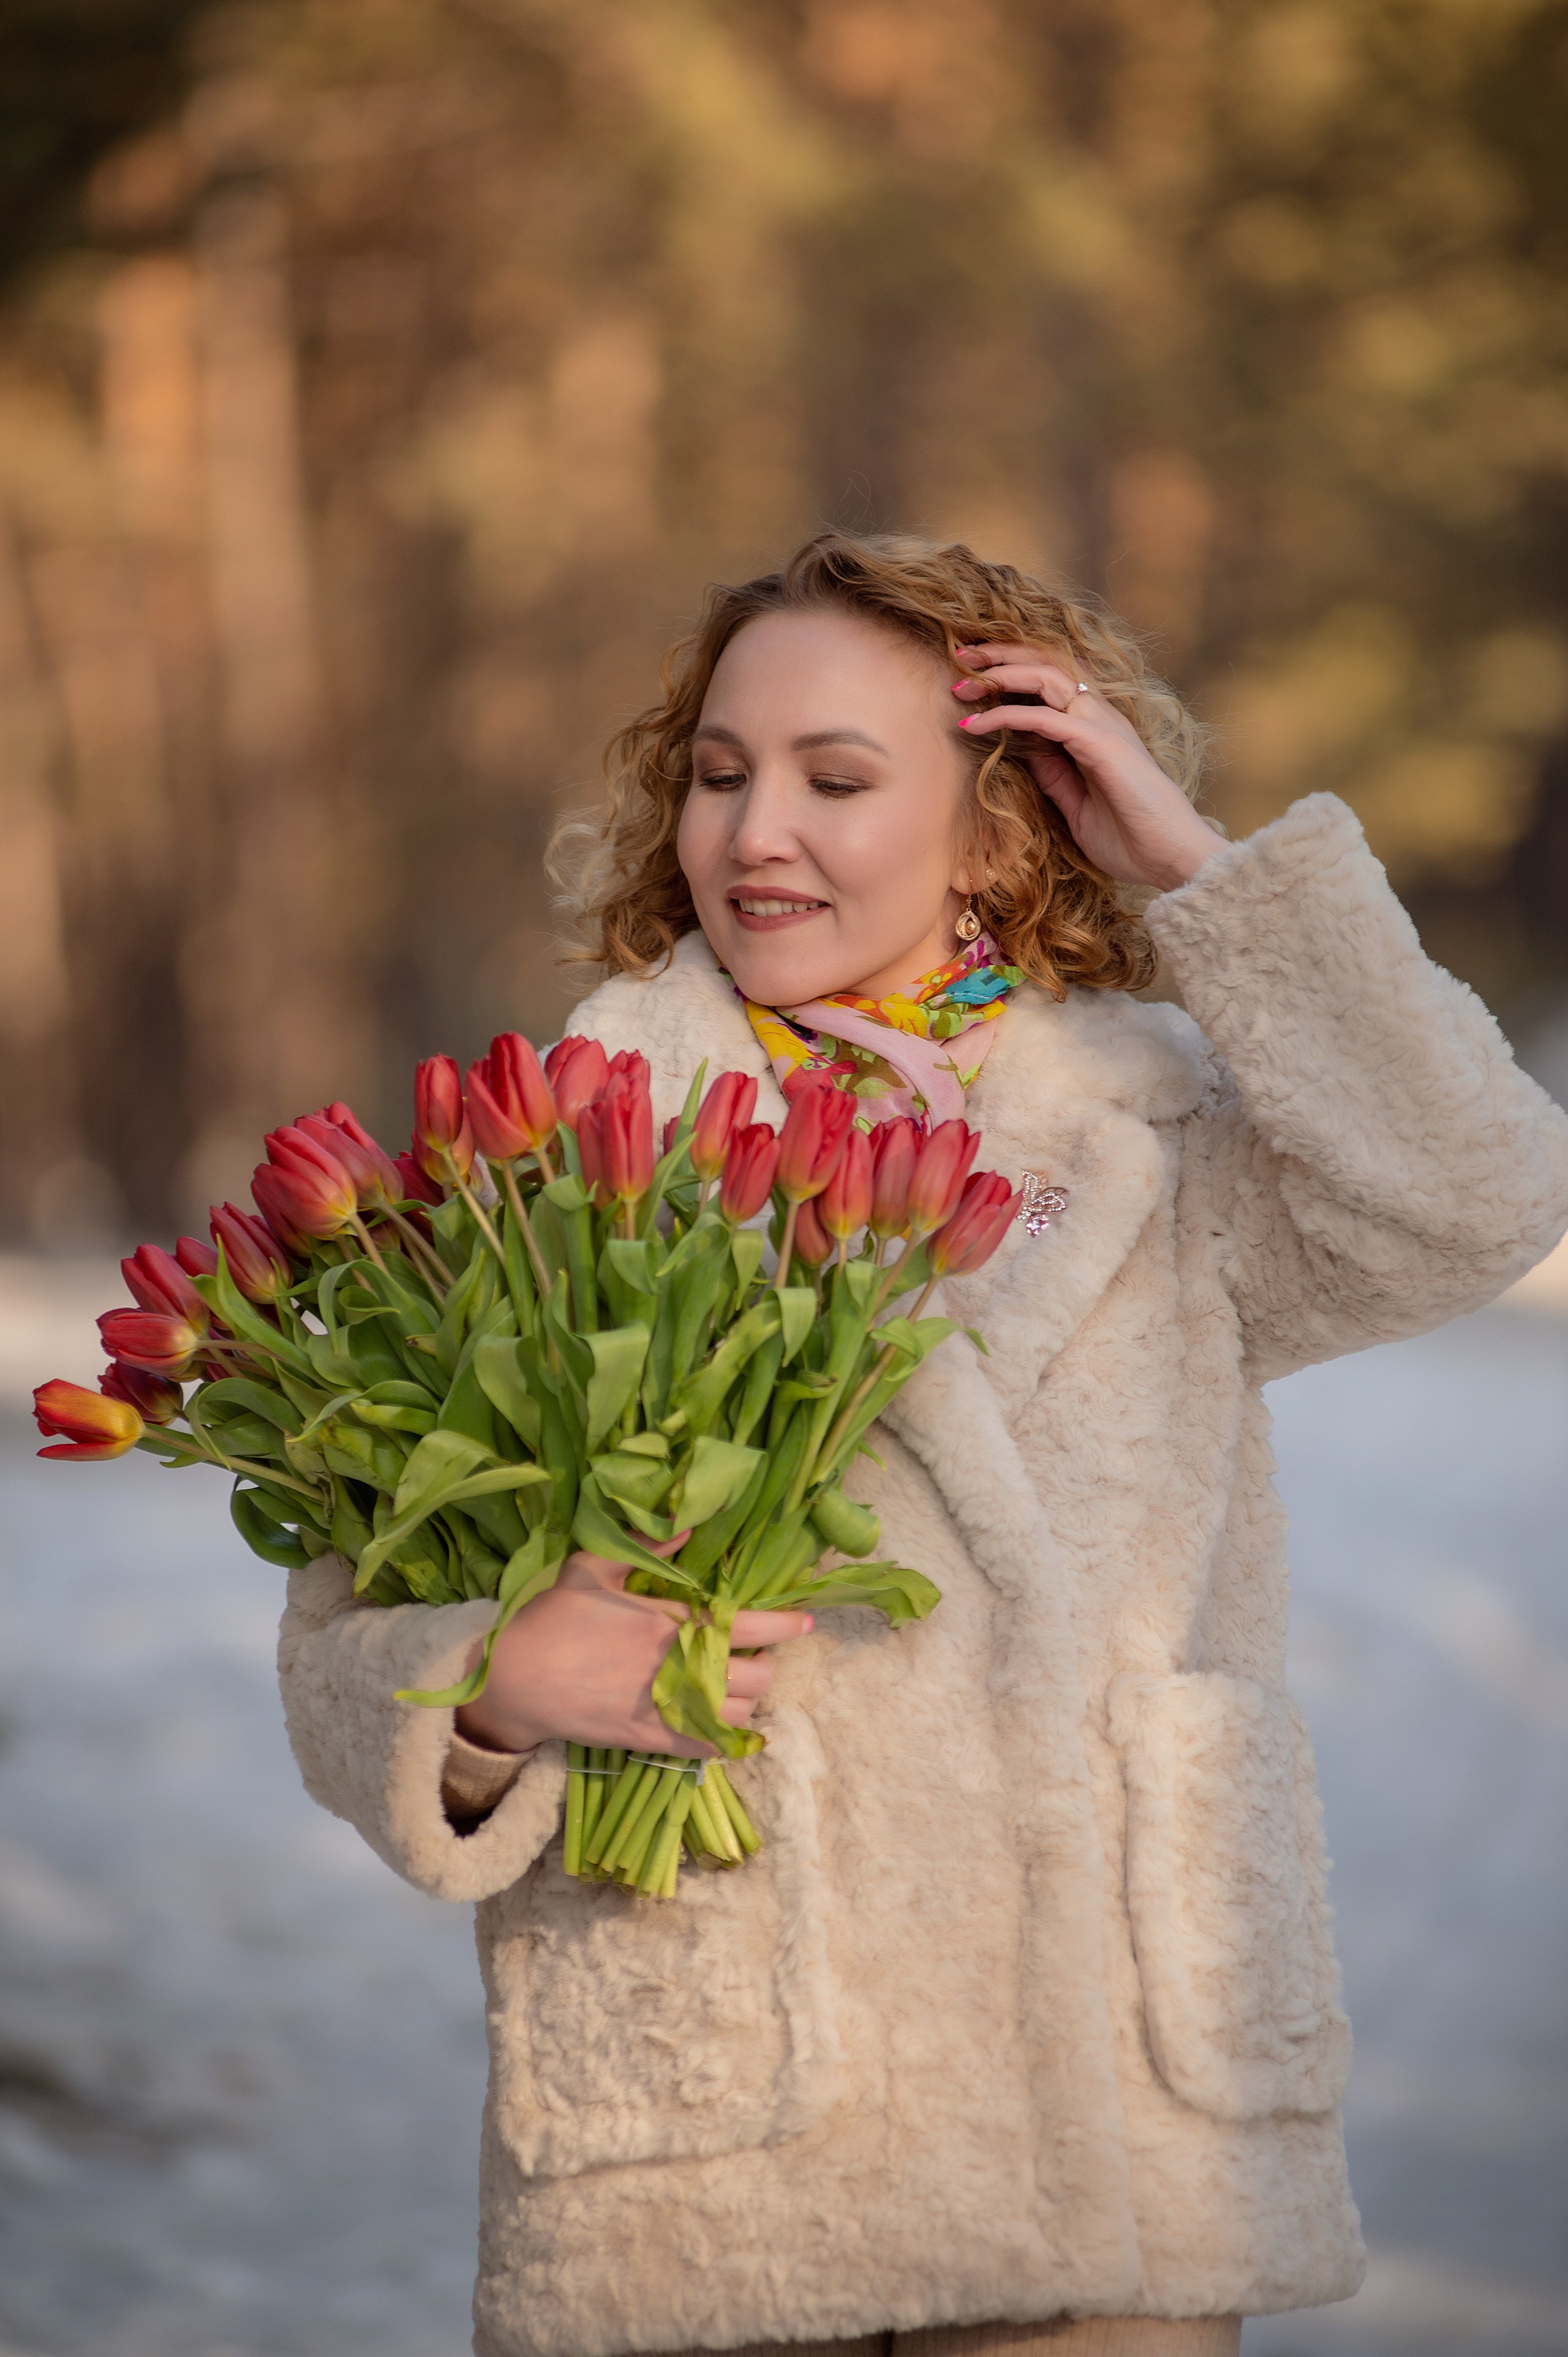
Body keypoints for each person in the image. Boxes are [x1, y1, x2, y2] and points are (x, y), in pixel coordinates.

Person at [279, 532, 1568, 2357]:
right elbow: (338, 1643)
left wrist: (1205, 876)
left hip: (1108, 2143)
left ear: (997, 826)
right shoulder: (566, 1154)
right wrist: (491, 1687)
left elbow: (1478, 1197)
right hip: (713, 2158)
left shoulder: (1164, 1141)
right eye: (720, 776)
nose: (754, 833)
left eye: (837, 780)